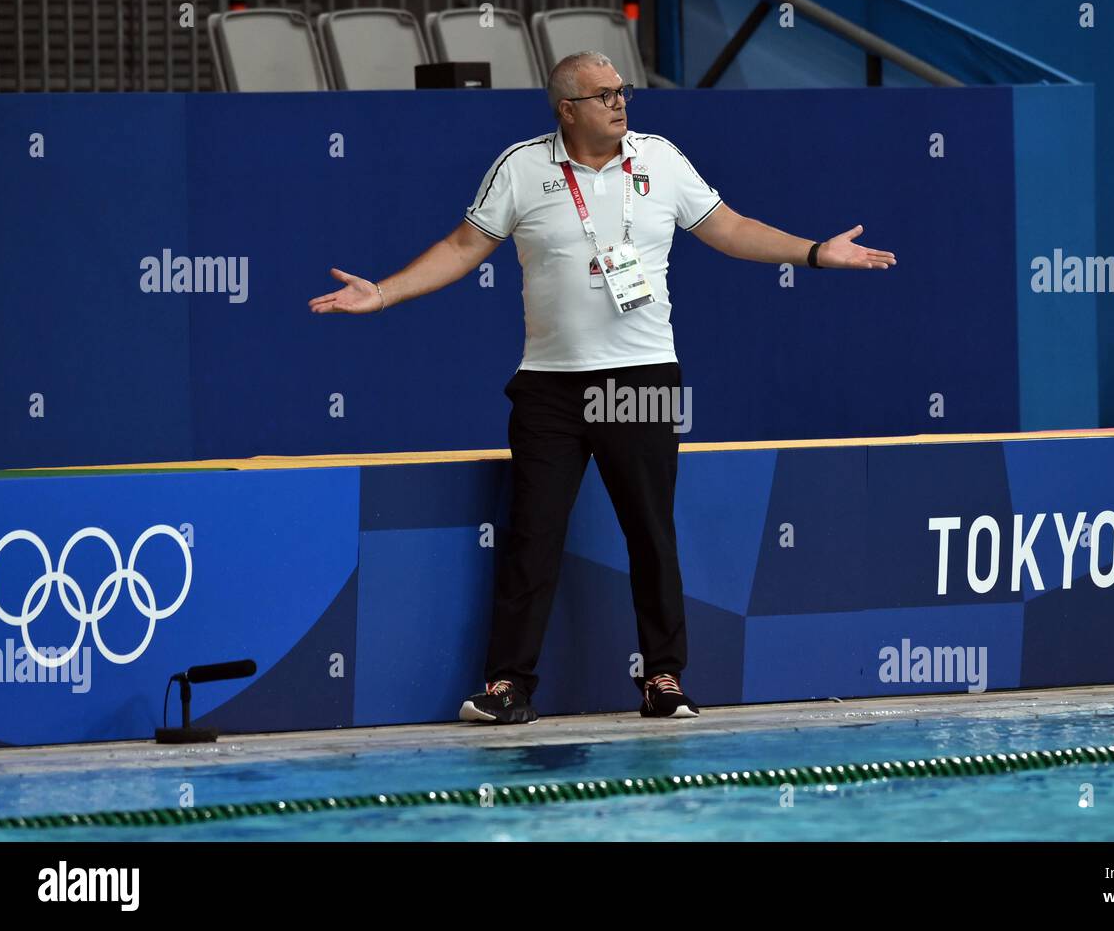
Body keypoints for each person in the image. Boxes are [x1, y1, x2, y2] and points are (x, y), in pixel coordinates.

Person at [308, 50, 897, 725]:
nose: (620, 103)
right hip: (549, 387)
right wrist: (381, 293)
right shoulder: (521, 167)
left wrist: (816, 251)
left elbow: (729, 229)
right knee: (532, 535)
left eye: (623, 91)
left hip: (642, 377)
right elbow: (464, 246)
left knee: (650, 532)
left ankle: (664, 678)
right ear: (567, 109)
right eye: (604, 94)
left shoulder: (662, 159)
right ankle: (507, 686)